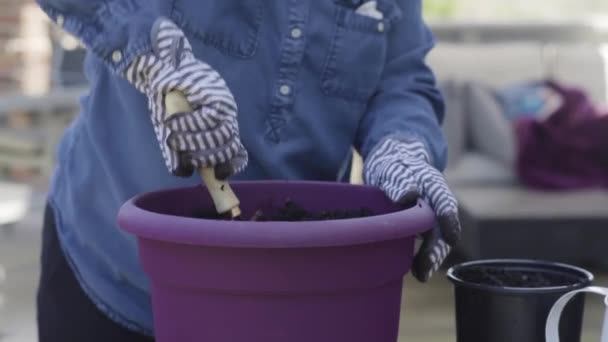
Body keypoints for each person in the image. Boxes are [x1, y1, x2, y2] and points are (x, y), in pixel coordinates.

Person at [34, 0, 461, 340]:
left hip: (290, 300)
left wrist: (402, 144)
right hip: (109, 271)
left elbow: (400, 79)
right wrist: (151, 52)